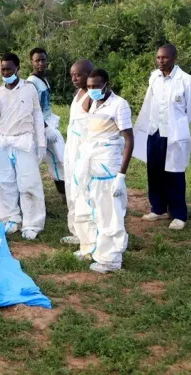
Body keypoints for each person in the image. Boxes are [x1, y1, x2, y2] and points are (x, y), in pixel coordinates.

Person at [72, 69, 134, 273]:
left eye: (96, 87)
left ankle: (111, 261)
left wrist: (121, 176)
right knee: (90, 208)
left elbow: (128, 140)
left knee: (110, 213)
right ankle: (90, 247)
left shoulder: (119, 104)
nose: (92, 90)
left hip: (108, 166)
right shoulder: (93, 103)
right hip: (91, 164)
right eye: (89, 87)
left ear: (107, 84)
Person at [0, 52, 45, 240]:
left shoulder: (29, 89)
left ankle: (32, 223)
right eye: (2, 69)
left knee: (28, 183)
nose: (5, 72)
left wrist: (41, 144)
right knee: (3, 182)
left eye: (8, 69)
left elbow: (37, 115)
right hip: (3, 141)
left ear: (17, 68)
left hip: (24, 141)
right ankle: (10, 219)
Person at [135, 44, 191, 230]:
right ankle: (158, 209)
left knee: (174, 174)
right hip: (155, 132)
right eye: (158, 57)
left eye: (165, 58)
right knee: (155, 172)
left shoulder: (186, 81)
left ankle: (179, 214)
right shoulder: (154, 77)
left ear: (174, 58)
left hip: (174, 135)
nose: (161, 61)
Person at [61, 59, 94, 245]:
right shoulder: (78, 93)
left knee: (83, 190)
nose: (74, 78)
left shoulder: (92, 97)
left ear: (89, 74)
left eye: (78, 74)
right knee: (71, 189)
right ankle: (75, 230)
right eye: (72, 74)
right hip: (71, 149)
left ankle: (87, 233)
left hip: (83, 151)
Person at [27, 48, 67, 200]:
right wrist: (45, 129)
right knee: (39, 161)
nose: (41, 63)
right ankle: (30, 197)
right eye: (37, 60)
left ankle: (64, 195)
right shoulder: (31, 82)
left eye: (43, 59)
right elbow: (32, 109)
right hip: (40, 127)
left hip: (48, 122)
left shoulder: (43, 78)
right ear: (32, 62)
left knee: (58, 159)